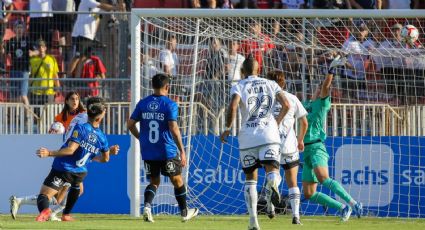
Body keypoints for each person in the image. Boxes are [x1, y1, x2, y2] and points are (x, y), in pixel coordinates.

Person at [220, 56, 290, 230]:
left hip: (248, 137)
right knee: (272, 170)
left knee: (250, 180)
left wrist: (228, 127)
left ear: (243, 71)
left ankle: (253, 222)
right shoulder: (271, 84)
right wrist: (277, 122)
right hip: (269, 135)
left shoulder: (239, 86)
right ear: (259, 69)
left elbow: (234, 106)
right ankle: (273, 182)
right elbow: (287, 104)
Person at [34, 97, 119, 222]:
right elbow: (105, 159)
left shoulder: (81, 128)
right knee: (77, 189)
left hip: (63, 168)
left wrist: (49, 153)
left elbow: (71, 150)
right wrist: (109, 152)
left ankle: (45, 211)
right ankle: (66, 214)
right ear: (100, 117)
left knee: (44, 196)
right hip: (79, 173)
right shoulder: (102, 138)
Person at [127, 73, 198, 223]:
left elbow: (130, 125)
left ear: (152, 86)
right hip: (167, 151)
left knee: (154, 182)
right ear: (167, 87)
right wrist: (182, 151)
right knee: (177, 180)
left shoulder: (142, 103)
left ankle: (147, 207)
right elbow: (173, 128)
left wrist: (141, 138)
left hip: (148, 150)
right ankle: (184, 213)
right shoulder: (170, 104)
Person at [301, 56, 363, 221]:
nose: (318, 89)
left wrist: (331, 69)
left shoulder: (322, 105)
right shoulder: (306, 105)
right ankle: (342, 208)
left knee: (323, 178)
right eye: (317, 88)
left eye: (320, 89)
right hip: (305, 150)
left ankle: (353, 203)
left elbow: (327, 86)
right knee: (309, 193)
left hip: (316, 147)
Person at [266, 70, 308, 225]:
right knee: (292, 182)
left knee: (272, 176)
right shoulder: (292, 98)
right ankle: (296, 216)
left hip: (270, 144)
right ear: (283, 83)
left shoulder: (266, 100)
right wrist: (300, 140)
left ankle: (270, 207)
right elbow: (304, 122)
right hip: (289, 145)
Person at [3, 20, 35, 106]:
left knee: (23, 95)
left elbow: (37, 51)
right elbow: (4, 53)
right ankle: (14, 117)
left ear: (24, 29)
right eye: (18, 27)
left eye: (21, 27)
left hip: (24, 70)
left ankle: (28, 116)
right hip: (14, 70)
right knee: (14, 96)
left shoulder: (27, 40)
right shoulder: (11, 41)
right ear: (14, 29)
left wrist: (33, 53)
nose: (19, 29)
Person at [29, 39, 61, 105]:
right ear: (36, 49)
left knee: (48, 113)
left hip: (48, 91)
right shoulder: (32, 60)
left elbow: (55, 75)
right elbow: (30, 75)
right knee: (36, 113)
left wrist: (58, 88)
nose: (41, 48)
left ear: (45, 48)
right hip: (35, 91)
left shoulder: (52, 59)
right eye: (39, 47)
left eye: (42, 46)